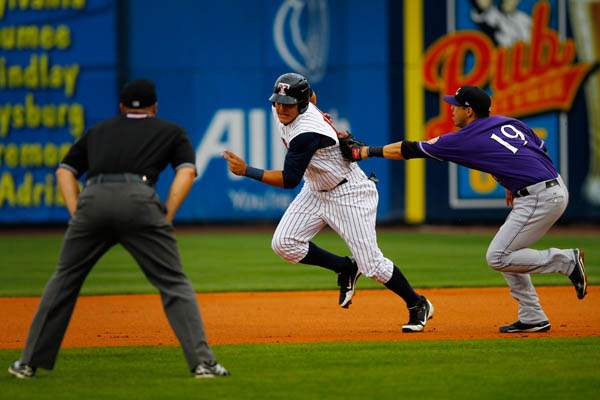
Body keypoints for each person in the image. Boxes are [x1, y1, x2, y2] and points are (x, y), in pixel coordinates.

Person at [8, 79, 229, 379]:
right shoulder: (170, 131)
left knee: (64, 280)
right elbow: (186, 171)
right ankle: (203, 364)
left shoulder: (98, 130)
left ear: (122, 106)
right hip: (139, 198)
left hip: (92, 199)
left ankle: (26, 363)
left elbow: (64, 171)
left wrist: (77, 213)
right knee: (173, 283)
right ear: (155, 107)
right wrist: (167, 215)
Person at [342, 85, 587, 333]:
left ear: (469, 111)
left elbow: (409, 149)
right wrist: (514, 181)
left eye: (456, 105)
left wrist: (364, 152)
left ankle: (566, 261)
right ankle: (533, 316)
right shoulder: (509, 123)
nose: (451, 109)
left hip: (539, 197)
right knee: (510, 253)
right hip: (551, 187)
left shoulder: (466, 138)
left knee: (498, 257)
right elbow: (539, 149)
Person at [223, 72, 434, 333]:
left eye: (287, 103)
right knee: (284, 243)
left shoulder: (306, 133)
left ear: (300, 105)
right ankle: (345, 267)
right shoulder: (300, 105)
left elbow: (289, 180)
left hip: (348, 193)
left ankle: (417, 303)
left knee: (372, 265)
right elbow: (312, 95)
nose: (280, 108)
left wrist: (247, 171)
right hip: (316, 188)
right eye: (277, 101)